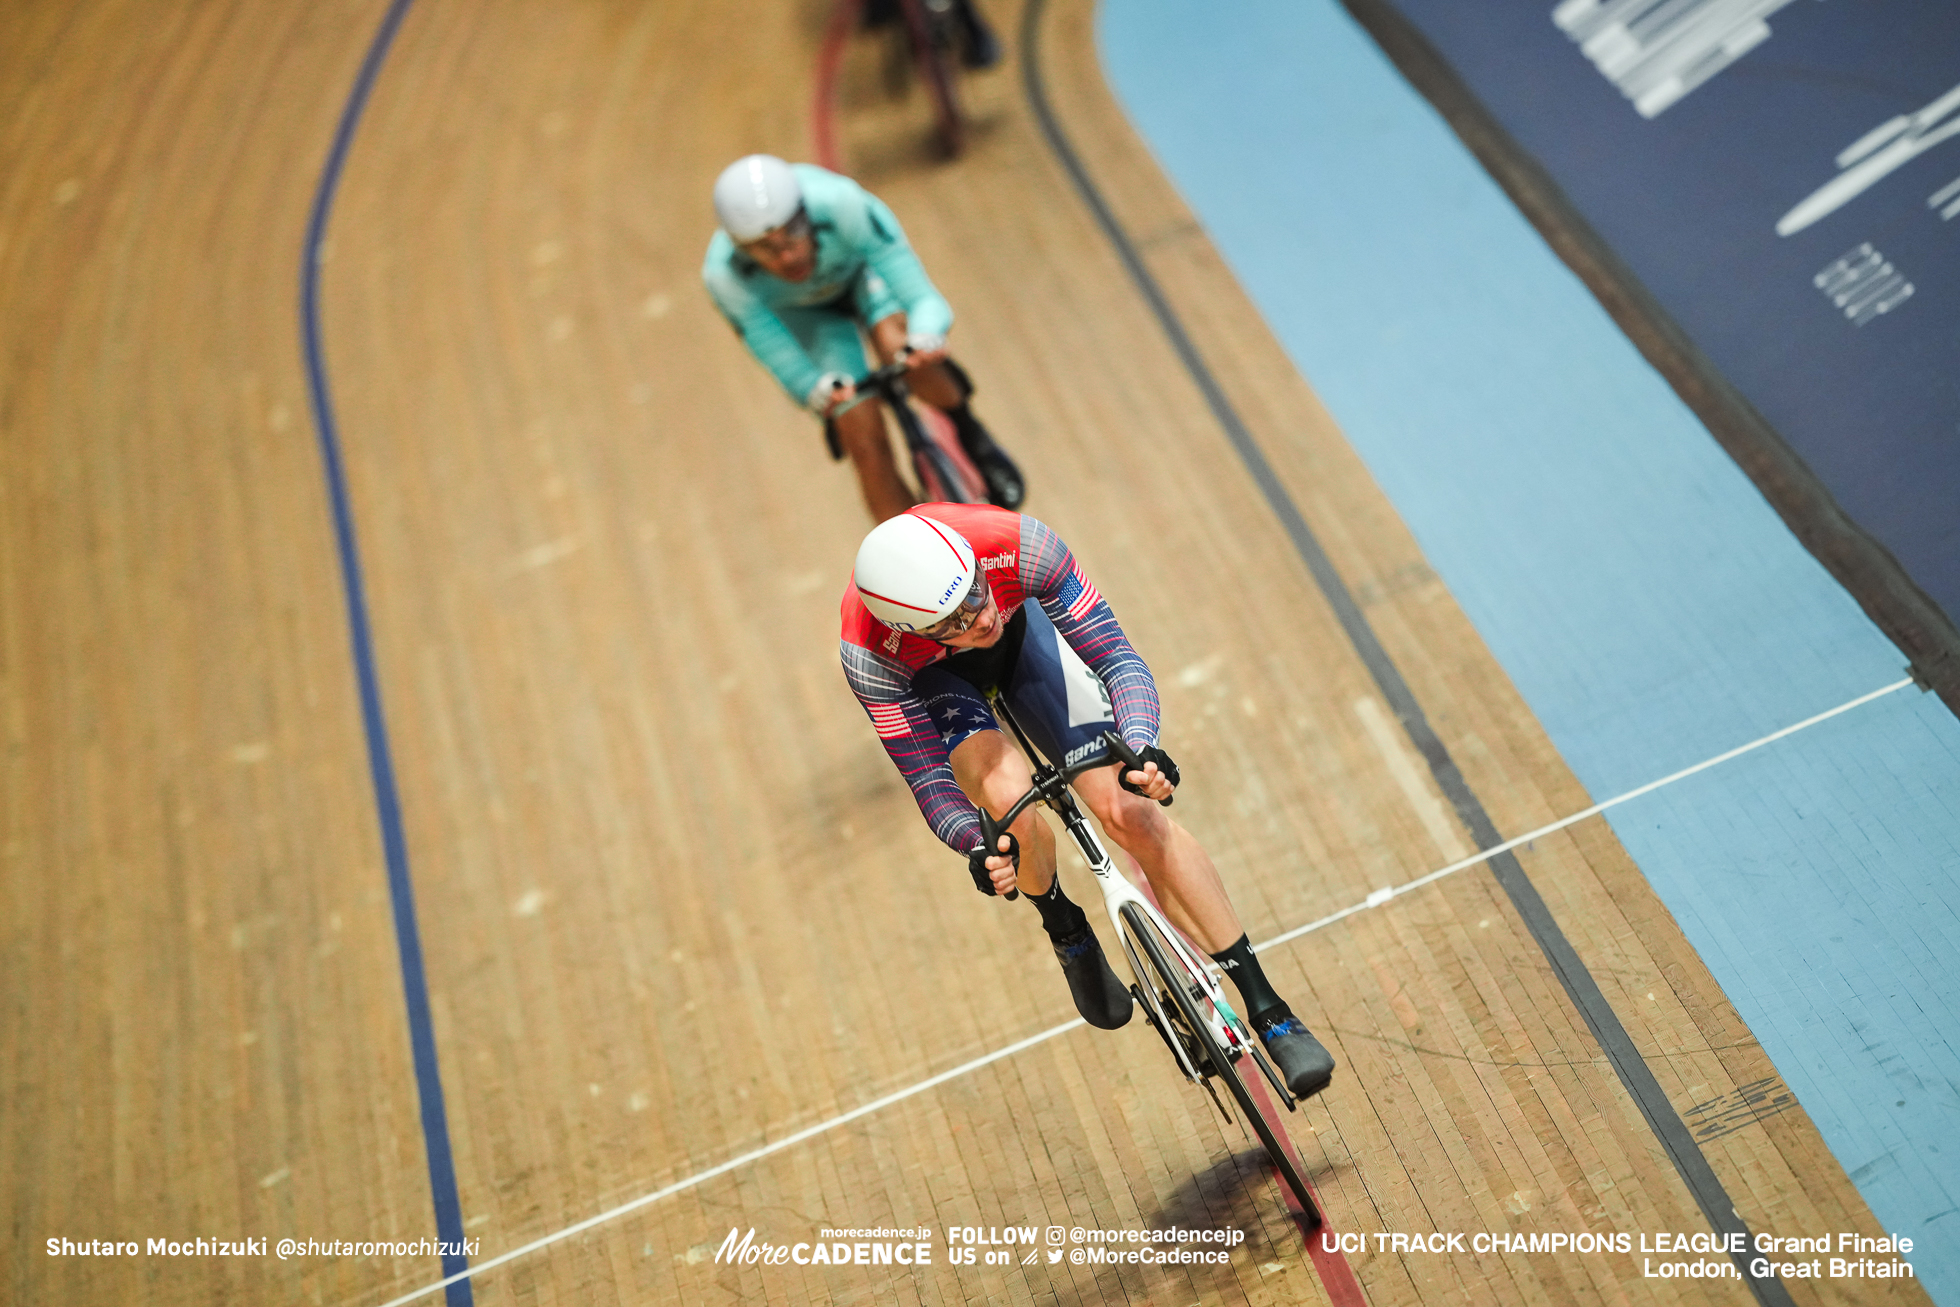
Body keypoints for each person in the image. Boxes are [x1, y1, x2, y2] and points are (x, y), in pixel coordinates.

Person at [839, 504, 1337, 1098]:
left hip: (1029, 642)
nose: (979, 620)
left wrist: (1143, 745)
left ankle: (1269, 1009)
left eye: (975, 593)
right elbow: (927, 778)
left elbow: (1115, 657)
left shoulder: (1019, 547)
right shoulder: (871, 655)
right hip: (941, 685)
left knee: (1134, 814)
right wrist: (978, 845)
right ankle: (1063, 923)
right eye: (955, 620)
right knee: (1009, 806)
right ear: (913, 630)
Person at [702, 154, 1023, 522]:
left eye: (792, 233)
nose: (787, 255)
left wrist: (926, 336)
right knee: (860, 431)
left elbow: (923, 299)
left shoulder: (843, 205)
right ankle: (911, 559)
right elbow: (774, 352)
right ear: (739, 247)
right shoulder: (723, 276)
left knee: (898, 347)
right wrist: (816, 390)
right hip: (808, 315)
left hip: (863, 278)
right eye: (765, 249)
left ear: (807, 214)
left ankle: (970, 430)